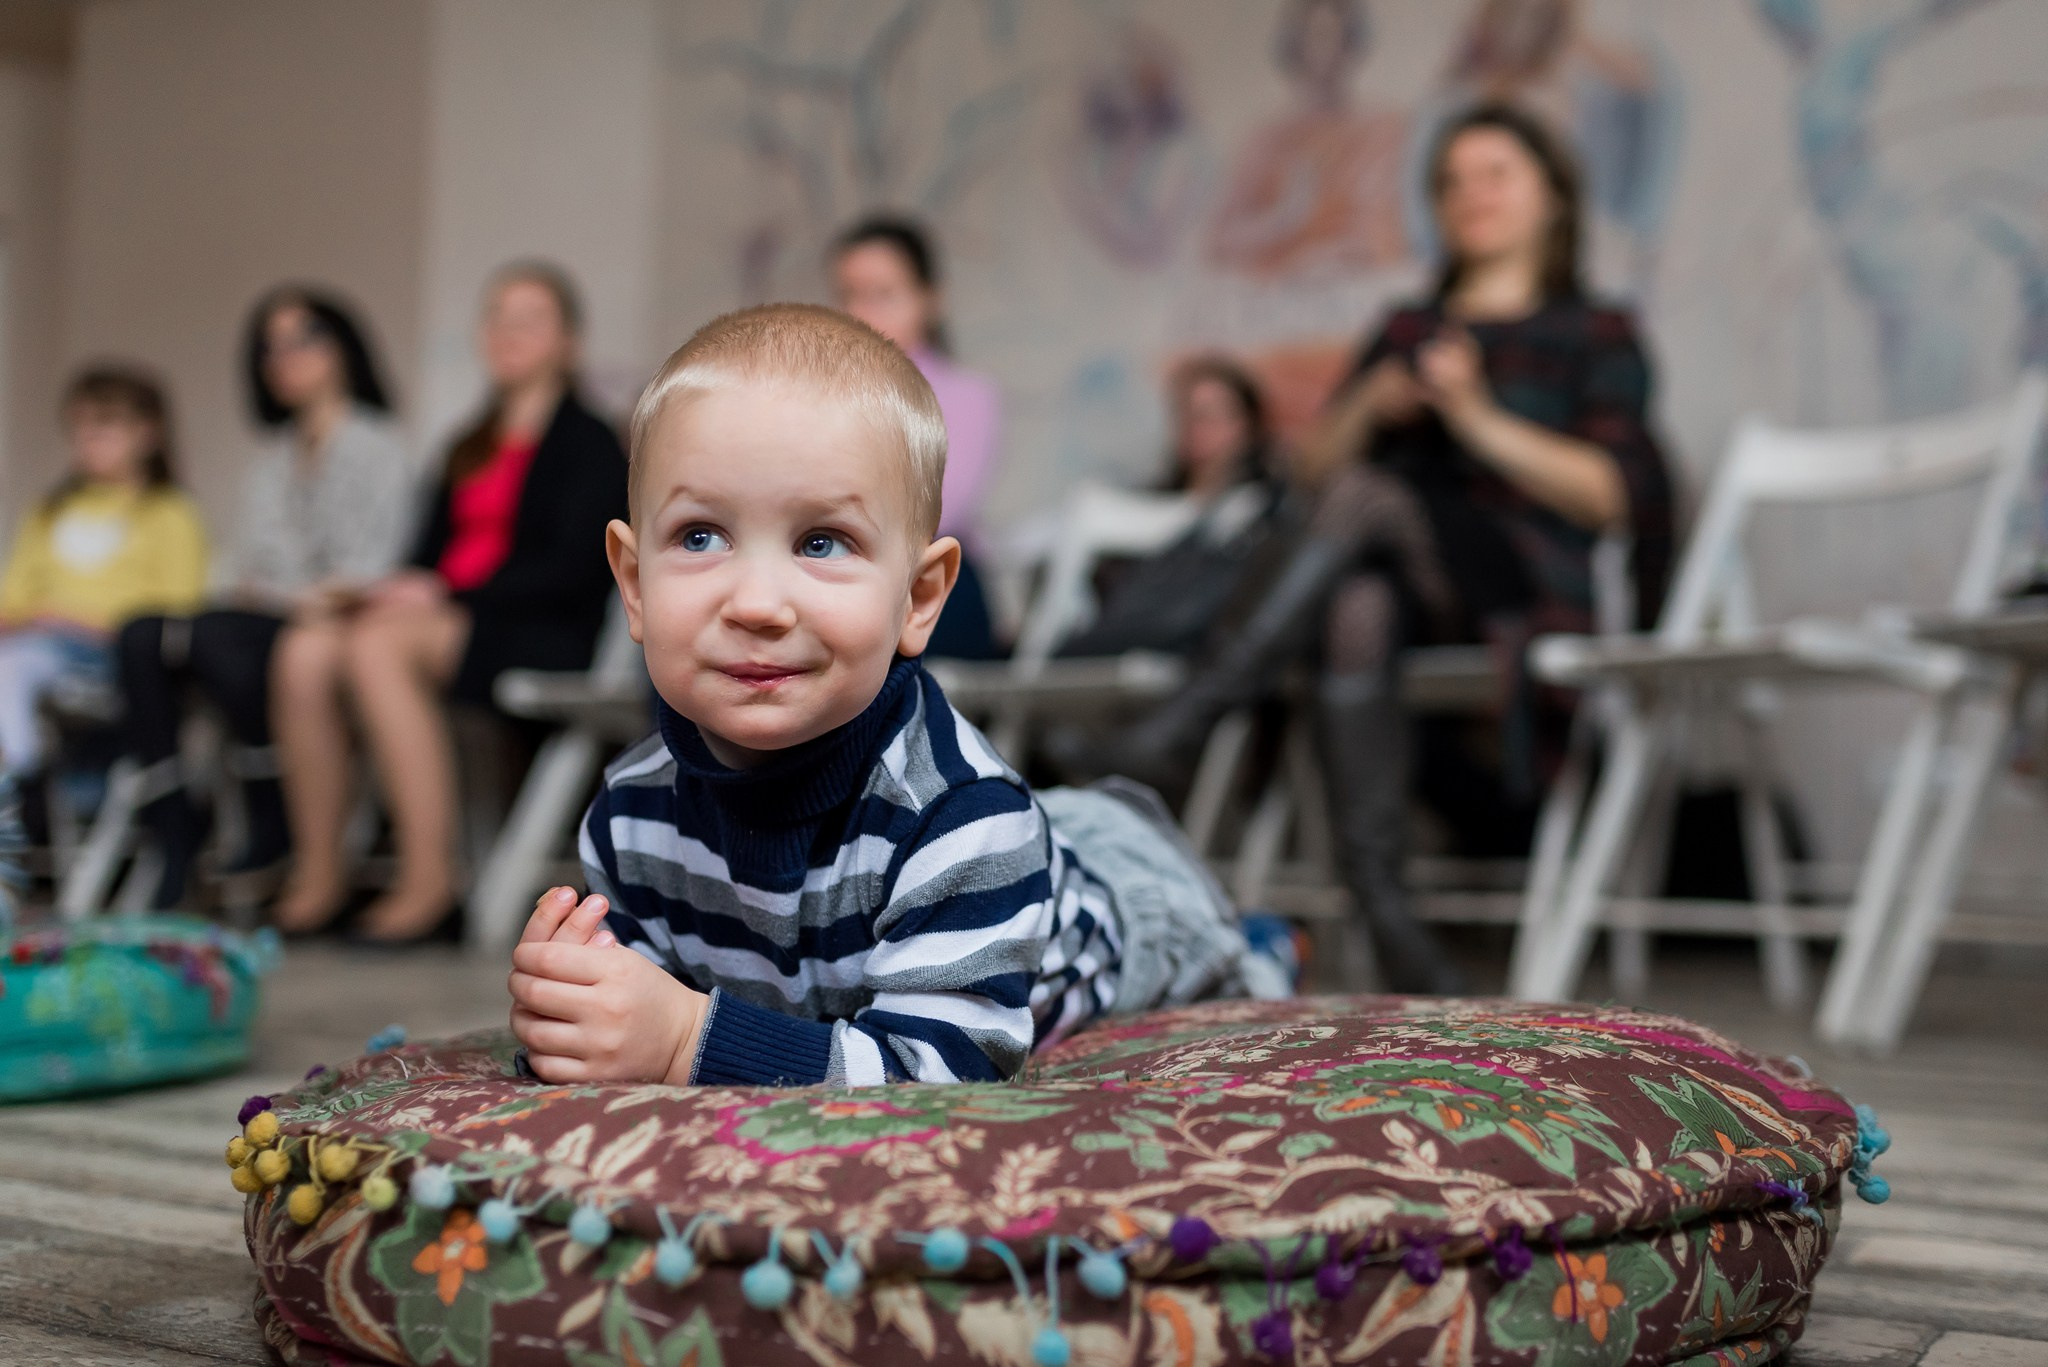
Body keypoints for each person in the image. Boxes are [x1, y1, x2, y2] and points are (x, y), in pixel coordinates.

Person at [503, 304, 1283, 1088]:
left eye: (821, 542)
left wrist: (683, 1044)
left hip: (1129, 903)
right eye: (701, 535)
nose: (756, 603)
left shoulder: (964, 823)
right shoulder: (630, 815)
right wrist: (577, 993)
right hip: (970, 863)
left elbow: (939, 1072)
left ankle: (1265, 943)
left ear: (917, 597)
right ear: (634, 584)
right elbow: (633, 1012)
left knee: (1226, 956)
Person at [1099, 103, 1675, 995]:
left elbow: (1613, 496)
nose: (1469, 195)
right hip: (1404, 578)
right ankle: (1389, 915)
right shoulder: (1409, 327)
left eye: (1495, 174)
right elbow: (1310, 474)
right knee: (1355, 602)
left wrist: (1475, 417)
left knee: (1369, 506)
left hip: (1523, 575)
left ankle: (1191, 714)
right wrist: (1374, 405)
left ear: (1552, 197)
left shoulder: (1595, 330)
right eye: (1451, 181)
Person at [273, 262, 627, 942]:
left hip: (540, 626)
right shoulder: (467, 444)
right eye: (496, 317)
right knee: (305, 649)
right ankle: (318, 876)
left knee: (376, 642)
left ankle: (429, 881)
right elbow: (423, 555)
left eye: (529, 319)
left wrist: (445, 591)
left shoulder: (589, 441)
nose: (507, 332)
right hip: (447, 620)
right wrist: (395, 588)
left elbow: (573, 569)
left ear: (569, 343)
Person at [118, 287, 412, 910]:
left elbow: (374, 566)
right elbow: (244, 569)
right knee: (140, 632)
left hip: (331, 622)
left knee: (224, 637)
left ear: (342, 345)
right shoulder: (270, 462)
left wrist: (294, 595)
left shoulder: (380, 446)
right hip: (268, 615)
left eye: (303, 338)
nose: (284, 357)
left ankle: (268, 805)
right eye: (269, 347)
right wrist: (276, 593)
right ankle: (174, 823)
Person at [0, 368, 207, 788]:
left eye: (106, 424)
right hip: (39, 646)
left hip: (111, 659)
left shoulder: (169, 513)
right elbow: (13, 597)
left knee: (15, 666)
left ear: (147, 433)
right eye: (80, 425)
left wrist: (69, 621)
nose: (89, 438)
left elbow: (177, 614)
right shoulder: (50, 511)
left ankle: (21, 781)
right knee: (18, 660)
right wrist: (36, 618)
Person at [831, 216, 1004, 659]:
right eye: (851, 295)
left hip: (930, 581)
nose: (862, 312)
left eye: (884, 295)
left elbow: (940, 507)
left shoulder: (966, 395)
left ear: (931, 299)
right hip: (836, 568)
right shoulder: (820, 394)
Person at [1056, 355, 1288, 661]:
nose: (1197, 428)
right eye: (1188, 415)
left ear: (1246, 425)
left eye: (1210, 415)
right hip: (1110, 645)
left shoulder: (1255, 510)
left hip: (1182, 650)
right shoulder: (1147, 502)